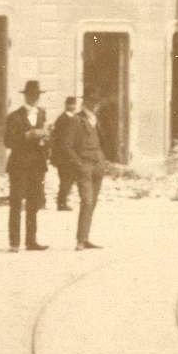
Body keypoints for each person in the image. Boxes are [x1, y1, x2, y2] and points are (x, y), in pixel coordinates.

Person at [4, 80, 52, 253]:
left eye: (37, 95)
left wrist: (45, 139)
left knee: (34, 203)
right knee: (16, 202)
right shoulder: (14, 116)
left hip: (37, 165)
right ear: (26, 96)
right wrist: (27, 135)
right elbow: (7, 141)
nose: (35, 98)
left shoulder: (42, 114)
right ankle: (14, 242)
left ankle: (31, 241)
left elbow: (47, 140)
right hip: (19, 165)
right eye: (32, 95)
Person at [70, 95, 108, 250]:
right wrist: (78, 163)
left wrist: (103, 160)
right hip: (84, 164)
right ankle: (80, 240)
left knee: (92, 202)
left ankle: (85, 237)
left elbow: (103, 140)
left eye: (97, 102)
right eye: (93, 101)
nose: (95, 104)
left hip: (98, 164)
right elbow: (67, 144)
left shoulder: (96, 119)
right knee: (87, 200)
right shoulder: (76, 119)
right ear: (86, 102)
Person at [50, 96, 81, 212]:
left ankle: (63, 201)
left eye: (74, 104)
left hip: (72, 154)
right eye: (70, 104)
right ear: (66, 105)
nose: (72, 106)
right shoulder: (62, 119)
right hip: (62, 155)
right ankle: (61, 203)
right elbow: (57, 137)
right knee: (65, 179)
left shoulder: (77, 118)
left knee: (70, 179)